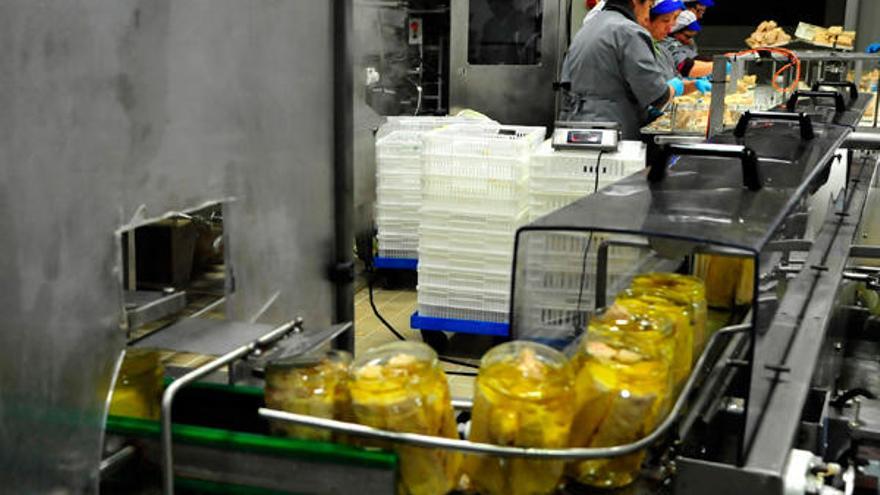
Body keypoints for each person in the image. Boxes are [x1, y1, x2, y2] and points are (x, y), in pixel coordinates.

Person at [560, 0, 701, 139]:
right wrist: (675, 87)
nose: (647, 16)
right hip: (610, 130)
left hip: (577, 124)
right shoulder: (628, 31)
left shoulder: (592, 25)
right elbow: (658, 96)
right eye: (649, 6)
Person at [659, 10, 713, 78]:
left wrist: (722, 60)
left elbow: (696, 58)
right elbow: (685, 66)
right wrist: (719, 66)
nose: (689, 41)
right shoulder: (666, 42)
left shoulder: (681, 43)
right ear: (675, 31)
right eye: (687, 36)